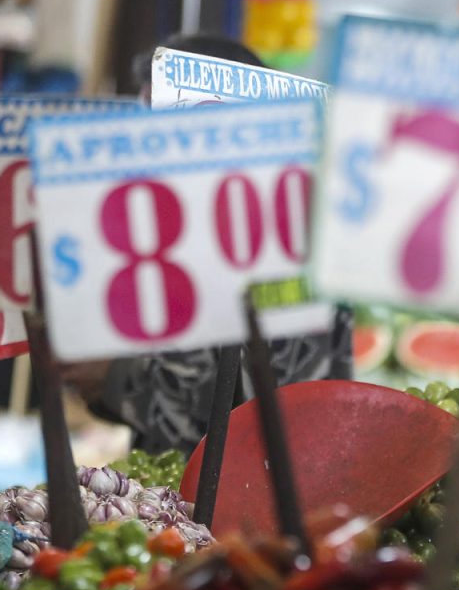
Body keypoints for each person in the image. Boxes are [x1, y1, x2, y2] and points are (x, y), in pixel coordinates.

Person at [62, 33, 353, 454]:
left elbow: (231, 425)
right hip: (177, 501)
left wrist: (112, 375)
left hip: (253, 503)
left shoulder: (279, 249)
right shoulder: (189, 230)